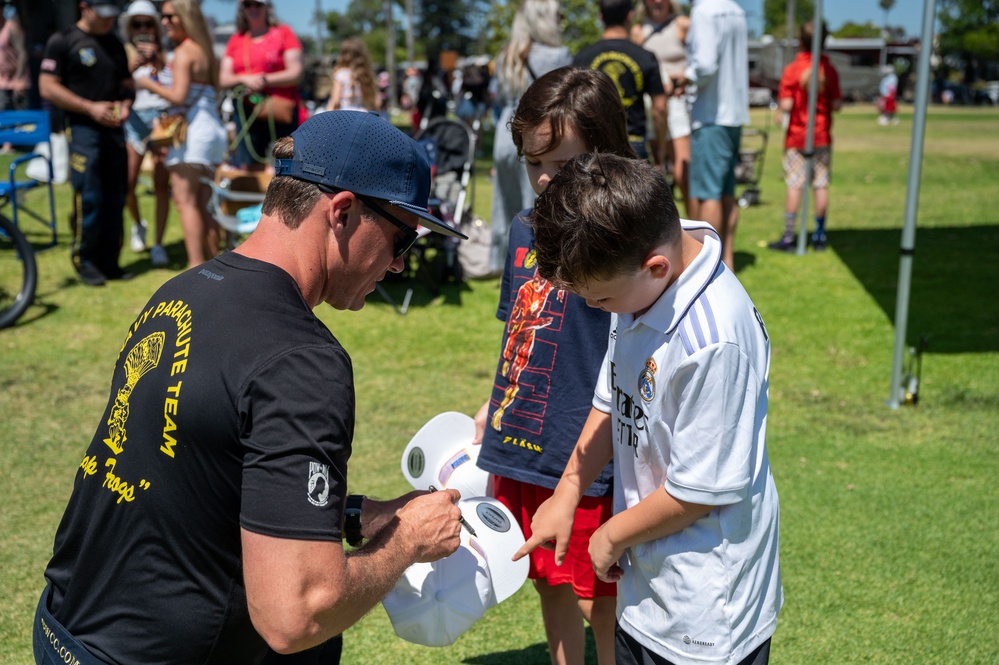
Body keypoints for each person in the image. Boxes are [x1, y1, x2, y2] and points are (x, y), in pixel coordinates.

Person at [32, 110, 469, 665]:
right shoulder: (303, 362)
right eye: (402, 240)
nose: (400, 266)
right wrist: (405, 539)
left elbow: (197, 473)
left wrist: (355, 515)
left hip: (64, 629)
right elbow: (295, 615)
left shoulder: (184, 290)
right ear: (342, 212)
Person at [516, 152, 783, 665]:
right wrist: (570, 487)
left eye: (599, 301)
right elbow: (613, 392)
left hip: (705, 616)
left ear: (655, 268)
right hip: (648, 589)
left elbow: (698, 492)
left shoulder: (714, 343)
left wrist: (610, 534)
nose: (595, 312)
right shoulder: (641, 280)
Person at [474, 66, 636, 665]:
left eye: (562, 164)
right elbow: (517, 327)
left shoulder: (619, 244)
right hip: (521, 439)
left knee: (600, 592)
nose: (544, 178)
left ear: (607, 154)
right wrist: (493, 400)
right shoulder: (522, 230)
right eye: (532, 162)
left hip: (585, 449)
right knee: (546, 575)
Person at [40, 0, 134, 286]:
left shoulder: (115, 43)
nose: (108, 21)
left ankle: (111, 261)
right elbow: (47, 86)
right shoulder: (63, 41)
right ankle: (86, 261)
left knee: (117, 194)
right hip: (82, 129)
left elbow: (127, 85)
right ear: (84, 7)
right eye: (102, 15)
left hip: (114, 131)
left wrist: (126, 105)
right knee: (90, 195)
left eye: (111, 16)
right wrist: (89, 107)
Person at [136, 0, 226, 269]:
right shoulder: (205, 51)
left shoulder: (184, 52)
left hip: (194, 136)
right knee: (204, 203)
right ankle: (216, 267)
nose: (164, 22)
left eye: (169, 17)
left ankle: (196, 267)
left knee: (186, 203)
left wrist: (145, 84)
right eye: (163, 17)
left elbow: (178, 95)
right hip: (212, 132)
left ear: (185, 18)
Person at [489, 0, 571, 274]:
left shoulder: (507, 55)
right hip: (538, 134)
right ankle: (537, 262)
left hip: (505, 132)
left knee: (504, 204)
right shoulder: (557, 55)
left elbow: (498, 99)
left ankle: (502, 263)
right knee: (536, 204)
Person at [674, 0, 749, 271]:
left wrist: (684, 78)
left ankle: (707, 265)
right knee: (727, 193)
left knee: (709, 195)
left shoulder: (704, 10)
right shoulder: (736, 10)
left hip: (710, 115)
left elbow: (704, 65)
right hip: (733, 114)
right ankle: (725, 260)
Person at [767, 20, 842, 253]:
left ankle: (789, 236)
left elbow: (787, 104)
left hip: (797, 138)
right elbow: (837, 104)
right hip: (821, 136)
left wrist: (781, 109)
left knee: (794, 185)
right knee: (820, 185)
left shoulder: (792, 70)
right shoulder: (828, 70)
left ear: (801, 42)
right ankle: (819, 235)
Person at [574, 0, 667, 163]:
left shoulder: (583, 57)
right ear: (630, 16)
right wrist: (660, 147)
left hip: (594, 144)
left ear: (600, 17)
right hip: (634, 143)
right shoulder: (645, 56)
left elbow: (573, 106)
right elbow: (660, 108)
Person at [219, 0, 303, 170]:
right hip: (247, 108)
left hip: (279, 109)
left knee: (286, 164)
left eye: (257, 4)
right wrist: (245, 79)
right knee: (249, 164)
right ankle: (254, 195)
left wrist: (264, 80)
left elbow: (296, 72)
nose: (253, 8)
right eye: (247, 4)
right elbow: (223, 78)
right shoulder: (237, 39)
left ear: (267, 7)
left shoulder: (283, 32)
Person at [120, 0, 171, 267]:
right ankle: (138, 224)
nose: (143, 29)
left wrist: (157, 60)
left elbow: (174, 85)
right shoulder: (124, 53)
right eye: (137, 24)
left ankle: (159, 243)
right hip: (136, 121)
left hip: (162, 121)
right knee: (128, 183)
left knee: (161, 186)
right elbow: (118, 83)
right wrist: (133, 64)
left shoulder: (168, 52)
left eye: (148, 23)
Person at [631, 0, 691, 216]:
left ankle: (696, 230)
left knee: (682, 174)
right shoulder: (639, 31)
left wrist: (682, 79)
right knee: (655, 174)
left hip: (677, 103)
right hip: (651, 106)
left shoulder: (683, 24)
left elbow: (697, 59)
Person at [0, 3, 30, 153]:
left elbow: (23, 53)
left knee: (18, 113)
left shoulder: (11, 27)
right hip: (2, 79)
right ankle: (6, 144)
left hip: (16, 79)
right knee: (3, 111)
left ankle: (16, 144)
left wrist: (19, 79)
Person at [324, 38, 379, 113]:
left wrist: (326, 115)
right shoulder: (366, 74)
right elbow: (376, 102)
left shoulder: (340, 74)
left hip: (345, 116)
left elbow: (335, 101)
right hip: (364, 115)